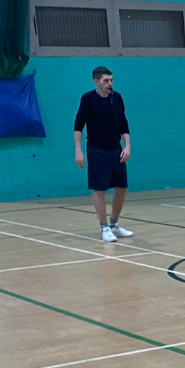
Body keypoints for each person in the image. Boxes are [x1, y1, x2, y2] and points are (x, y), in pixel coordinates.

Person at [74, 66, 134, 242]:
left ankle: (114, 225)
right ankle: (104, 227)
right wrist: (78, 151)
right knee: (99, 189)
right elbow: (78, 126)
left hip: (116, 150)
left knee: (121, 188)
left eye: (111, 80)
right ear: (96, 81)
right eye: (106, 80)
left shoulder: (117, 98)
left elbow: (124, 124)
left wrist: (127, 146)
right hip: (97, 151)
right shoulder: (88, 99)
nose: (110, 83)